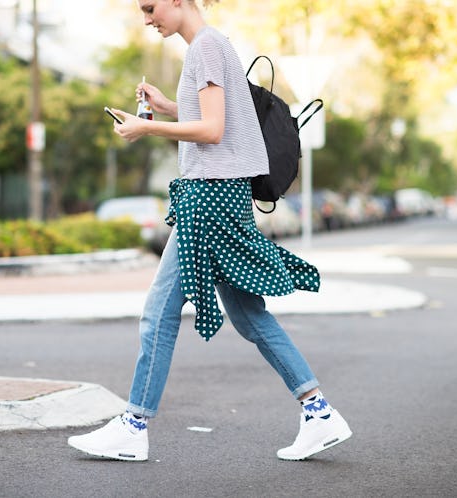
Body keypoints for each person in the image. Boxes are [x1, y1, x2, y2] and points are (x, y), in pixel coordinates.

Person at [67, 0, 352, 461]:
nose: (147, 18)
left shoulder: (205, 48)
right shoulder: (215, 45)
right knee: (248, 316)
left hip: (210, 200)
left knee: (159, 311)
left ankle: (133, 425)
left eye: (150, 7)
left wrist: (147, 128)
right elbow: (221, 118)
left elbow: (215, 130)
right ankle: (318, 413)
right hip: (223, 196)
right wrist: (166, 107)